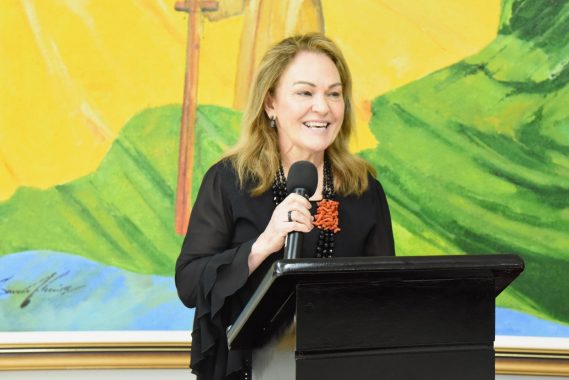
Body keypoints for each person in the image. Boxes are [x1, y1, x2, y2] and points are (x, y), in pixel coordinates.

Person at [175, 33, 395, 380]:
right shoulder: (229, 180)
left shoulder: (364, 191)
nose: (322, 107)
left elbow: (386, 299)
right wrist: (263, 245)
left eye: (334, 94)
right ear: (270, 104)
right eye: (305, 92)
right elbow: (189, 283)